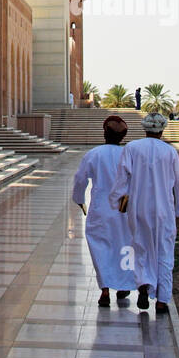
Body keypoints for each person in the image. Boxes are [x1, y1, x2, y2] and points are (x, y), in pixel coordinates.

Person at [108, 110, 179, 313]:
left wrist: (116, 202)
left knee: (141, 249)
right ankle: (163, 299)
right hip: (164, 210)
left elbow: (121, 181)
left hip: (139, 209)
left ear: (144, 129)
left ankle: (144, 287)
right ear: (162, 129)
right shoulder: (170, 151)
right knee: (164, 252)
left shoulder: (132, 148)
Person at [72, 115, 137, 308]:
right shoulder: (128, 154)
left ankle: (105, 289)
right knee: (123, 245)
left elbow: (80, 180)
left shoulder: (94, 154)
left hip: (100, 208)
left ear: (104, 133)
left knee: (101, 248)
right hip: (123, 208)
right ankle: (123, 285)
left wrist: (79, 200)